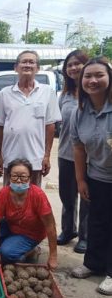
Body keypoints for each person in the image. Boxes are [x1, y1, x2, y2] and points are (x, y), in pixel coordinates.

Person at [70, 57, 112, 295]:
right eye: (88, 76)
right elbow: (78, 148)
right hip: (97, 175)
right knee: (97, 221)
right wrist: (81, 179)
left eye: (99, 75)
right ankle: (93, 263)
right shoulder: (81, 112)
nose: (93, 80)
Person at [0, 50, 61, 186]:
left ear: (37, 68)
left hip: (35, 159)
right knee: (10, 198)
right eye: (24, 61)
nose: (27, 65)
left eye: (32, 62)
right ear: (16, 67)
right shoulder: (5, 93)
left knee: (34, 199)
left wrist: (47, 156)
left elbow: (50, 126)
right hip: (10, 158)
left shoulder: (47, 92)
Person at [0, 158, 58, 270]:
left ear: (30, 178)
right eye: (15, 176)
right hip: (12, 226)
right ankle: (11, 248)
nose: (19, 180)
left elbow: (50, 225)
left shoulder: (38, 195)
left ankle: (30, 250)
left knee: (7, 254)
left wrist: (53, 256)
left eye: (23, 177)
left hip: (31, 233)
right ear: (9, 177)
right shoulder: (4, 193)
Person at [57, 50, 89, 253]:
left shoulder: (95, 93)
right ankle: (69, 230)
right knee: (67, 196)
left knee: (86, 196)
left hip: (89, 157)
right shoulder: (65, 95)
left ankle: (85, 236)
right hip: (65, 153)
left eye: (77, 63)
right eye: (69, 65)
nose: (73, 68)